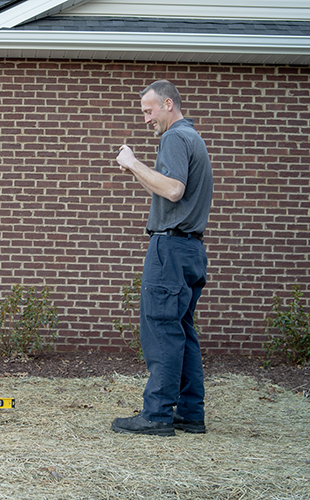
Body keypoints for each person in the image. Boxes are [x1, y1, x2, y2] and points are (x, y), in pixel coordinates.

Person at [111, 80, 213, 436]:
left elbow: (172, 189)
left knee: (161, 329)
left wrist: (133, 160)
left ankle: (156, 415)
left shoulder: (174, 138)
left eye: (148, 110)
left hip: (169, 249)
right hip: (190, 249)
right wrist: (138, 172)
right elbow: (169, 189)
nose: (145, 118)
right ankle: (189, 413)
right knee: (182, 330)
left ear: (168, 104)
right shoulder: (192, 137)